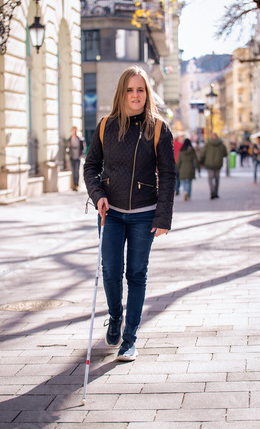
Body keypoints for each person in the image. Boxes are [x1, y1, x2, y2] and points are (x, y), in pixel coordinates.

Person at [84, 66, 176, 362]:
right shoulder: (105, 126)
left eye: (141, 90)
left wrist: (163, 217)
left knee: (136, 274)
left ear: (147, 93)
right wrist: (97, 196)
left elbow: (169, 174)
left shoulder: (159, 127)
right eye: (130, 89)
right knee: (111, 271)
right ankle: (114, 315)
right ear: (121, 93)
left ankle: (130, 338)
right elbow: (90, 167)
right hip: (110, 213)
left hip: (143, 215)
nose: (135, 95)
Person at [200, 132, 227, 199]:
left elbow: (202, 153)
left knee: (210, 179)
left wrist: (201, 160)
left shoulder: (207, 144)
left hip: (209, 164)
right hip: (218, 163)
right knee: (217, 179)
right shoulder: (221, 144)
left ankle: (212, 191)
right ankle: (216, 193)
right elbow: (225, 153)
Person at [67, 126, 85, 191]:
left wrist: (81, 154)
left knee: (77, 171)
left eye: (75, 130)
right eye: (73, 130)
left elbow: (83, 148)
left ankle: (76, 185)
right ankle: (74, 185)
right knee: (73, 171)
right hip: (72, 157)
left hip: (78, 157)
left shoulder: (79, 139)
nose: (74, 131)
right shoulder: (70, 139)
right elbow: (67, 147)